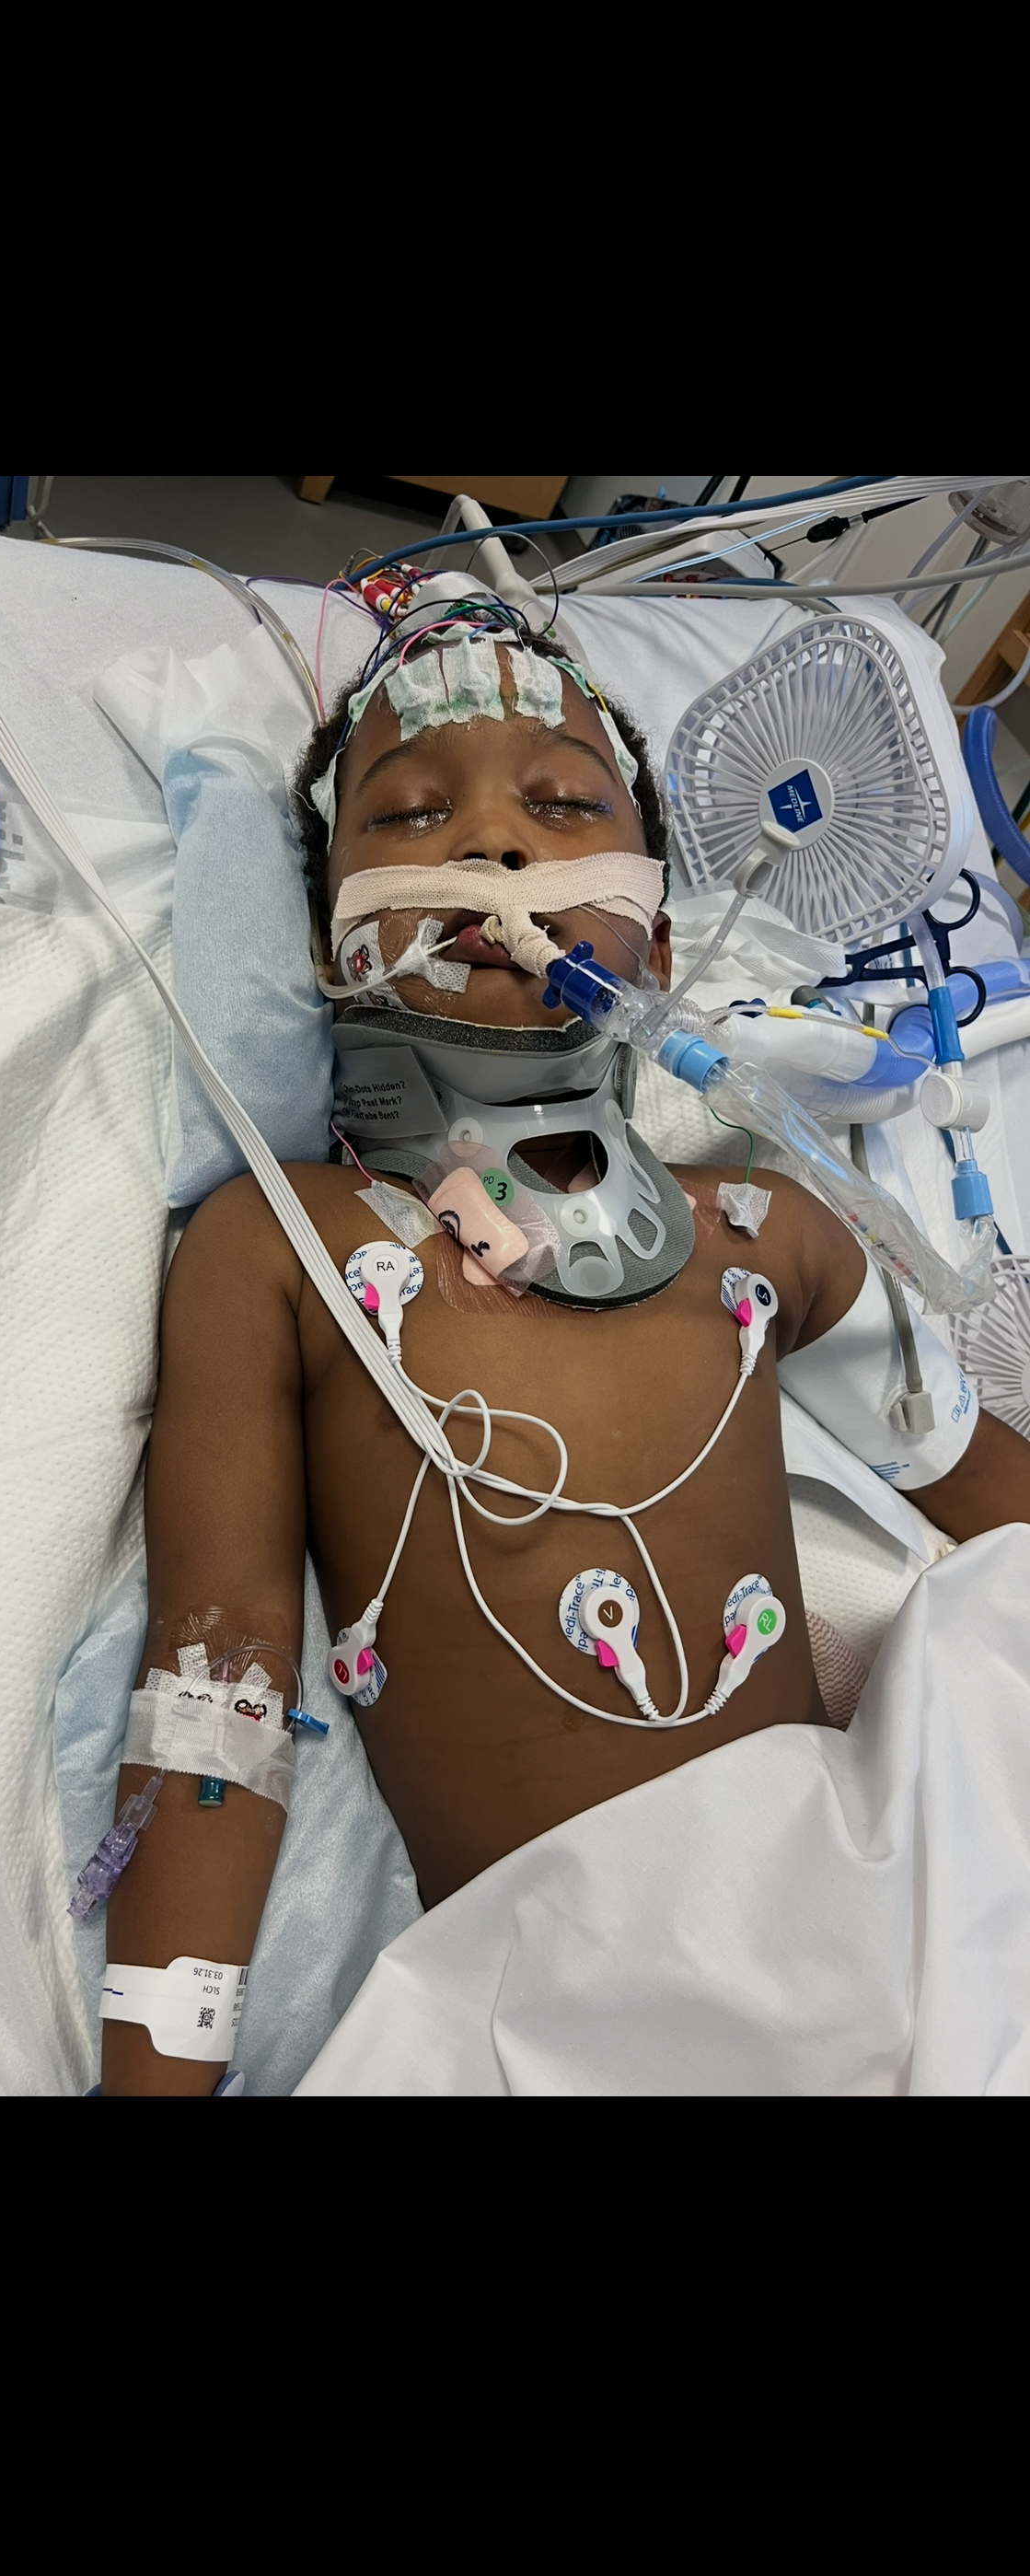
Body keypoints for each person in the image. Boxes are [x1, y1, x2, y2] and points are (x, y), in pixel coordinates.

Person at [99, 603, 1030, 2094]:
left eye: (563, 804)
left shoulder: (767, 1232)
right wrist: (157, 2072)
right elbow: (216, 1693)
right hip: (555, 2005)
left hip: (881, 1923)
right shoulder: (285, 1244)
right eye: (412, 813)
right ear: (333, 945)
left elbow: (999, 1508)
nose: (493, 843)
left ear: (654, 936)